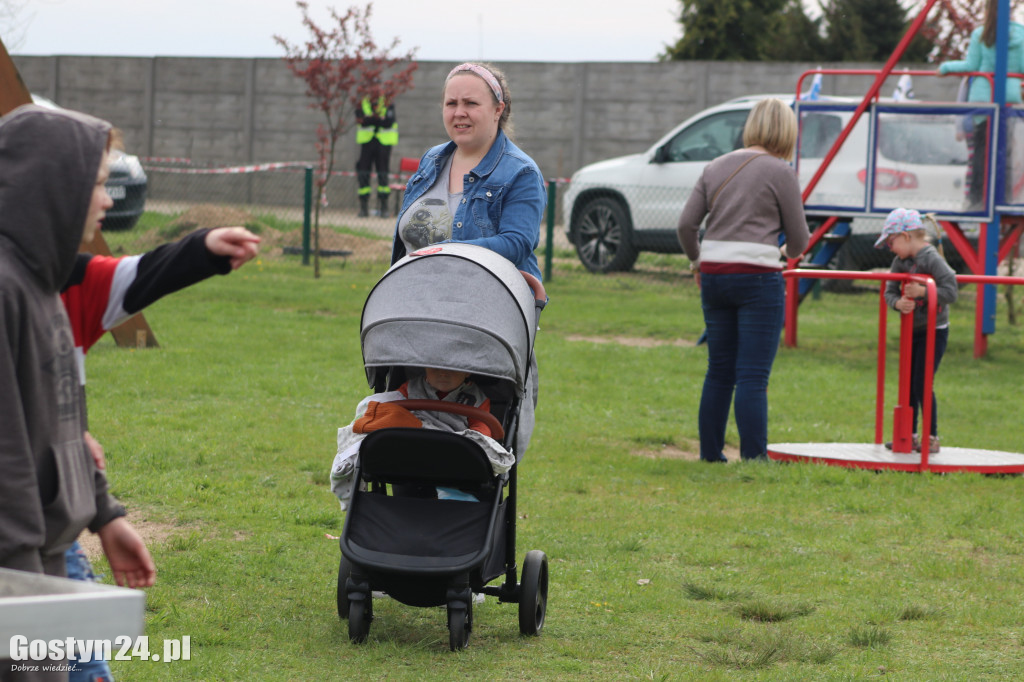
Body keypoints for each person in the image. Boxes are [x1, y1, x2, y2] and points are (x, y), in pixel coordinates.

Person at [60, 225, 260, 682]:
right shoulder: (25, 292)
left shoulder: (69, 281)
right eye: (95, 181)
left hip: (53, 528)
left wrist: (203, 249)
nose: (108, 199)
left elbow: (142, 275)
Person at [0, 104, 155, 680]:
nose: (108, 199)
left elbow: (64, 420)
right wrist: (22, 596)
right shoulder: (6, 290)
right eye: (96, 183)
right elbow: (6, 454)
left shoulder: (43, 281)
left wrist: (105, 515)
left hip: (41, 564)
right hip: (16, 576)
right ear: (52, 186)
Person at [389, 62, 547, 457]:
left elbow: (517, 241)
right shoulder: (432, 161)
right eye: (451, 103)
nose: (459, 112)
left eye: (471, 103)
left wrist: (448, 254)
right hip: (417, 315)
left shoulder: (520, 172)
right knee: (409, 422)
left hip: (479, 320)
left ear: (498, 108)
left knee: (464, 432)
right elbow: (405, 238)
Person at [676, 98, 810, 462]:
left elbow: (687, 225)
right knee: (752, 374)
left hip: (716, 275)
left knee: (719, 370)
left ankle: (710, 454)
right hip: (758, 278)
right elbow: (800, 240)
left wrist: (696, 262)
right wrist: (785, 250)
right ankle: (754, 458)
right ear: (787, 132)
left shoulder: (715, 166)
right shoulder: (781, 172)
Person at [330, 367, 513, 506]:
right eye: (436, 369)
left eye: (451, 370)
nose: (443, 374)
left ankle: (451, 496)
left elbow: (482, 429)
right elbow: (391, 407)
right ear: (424, 368)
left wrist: (476, 439)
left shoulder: (476, 398)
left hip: (453, 454)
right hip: (411, 448)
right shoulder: (412, 388)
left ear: (467, 373)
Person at [876, 208, 959, 453]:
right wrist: (897, 303)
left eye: (891, 242)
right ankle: (909, 435)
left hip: (934, 330)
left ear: (906, 236)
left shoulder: (931, 258)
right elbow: (889, 291)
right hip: (911, 330)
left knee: (923, 382)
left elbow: (951, 290)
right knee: (908, 382)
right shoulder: (898, 262)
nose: (890, 248)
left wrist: (924, 292)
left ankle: (930, 437)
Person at [937, 0, 1024, 209]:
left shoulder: (981, 33)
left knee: (981, 151)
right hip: (1008, 97)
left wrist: (945, 67)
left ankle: (976, 200)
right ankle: (1004, 198)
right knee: (1005, 150)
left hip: (983, 98)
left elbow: (970, 65)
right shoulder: (1020, 35)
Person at [355, 93, 398, 217]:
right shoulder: (362, 103)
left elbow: (389, 122)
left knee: (383, 174)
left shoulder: (387, 102)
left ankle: (384, 207)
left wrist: (370, 120)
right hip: (367, 144)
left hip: (383, 144)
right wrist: (379, 120)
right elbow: (362, 121)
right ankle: (363, 208)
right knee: (363, 173)